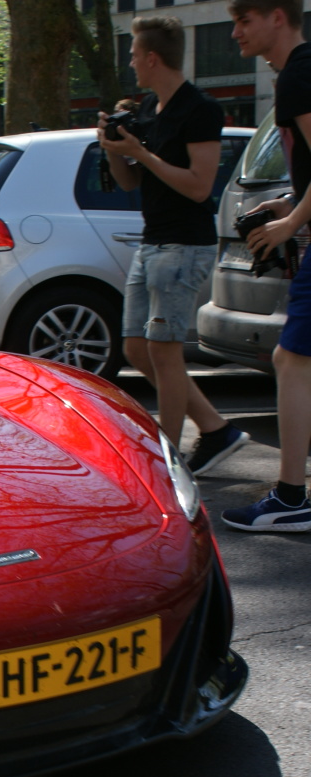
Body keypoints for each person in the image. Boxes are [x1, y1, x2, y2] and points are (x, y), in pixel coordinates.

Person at [99, 16, 248, 472]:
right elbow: (129, 180)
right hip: (154, 241)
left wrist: (142, 153)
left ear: (152, 57)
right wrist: (112, 147)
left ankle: (170, 460)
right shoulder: (148, 107)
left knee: (163, 350)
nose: (130, 64)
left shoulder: (199, 109)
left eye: (133, 56)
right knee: (136, 349)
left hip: (185, 244)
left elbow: (200, 187)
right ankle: (217, 430)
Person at [221, 0, 311, 531]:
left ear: (278, 16)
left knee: (291, 361)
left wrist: (287, 224)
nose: (234, 33)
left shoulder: (298, 77)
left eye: (244, 20)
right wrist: (287, 203)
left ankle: (292, 498)